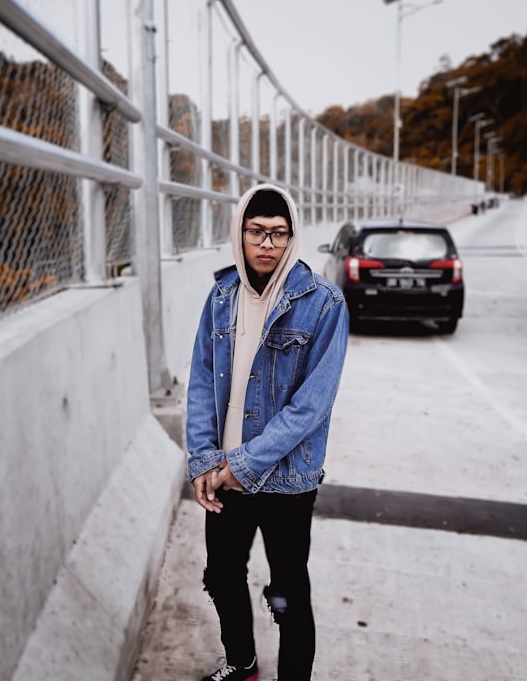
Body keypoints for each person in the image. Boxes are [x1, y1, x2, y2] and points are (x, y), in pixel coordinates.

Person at [186, 184, 349, 681]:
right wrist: (202, 459)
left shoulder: (323, 303)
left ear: (292, 238)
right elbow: (199, 381)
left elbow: (311, 406)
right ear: (240, 233)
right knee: (222, 576)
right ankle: (242, 664)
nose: (267, 244)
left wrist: (244, 464)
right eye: (256, 231)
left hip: (285, 481)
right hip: (222, 471)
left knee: (288, 593)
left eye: (279, 234)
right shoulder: (221, 297)